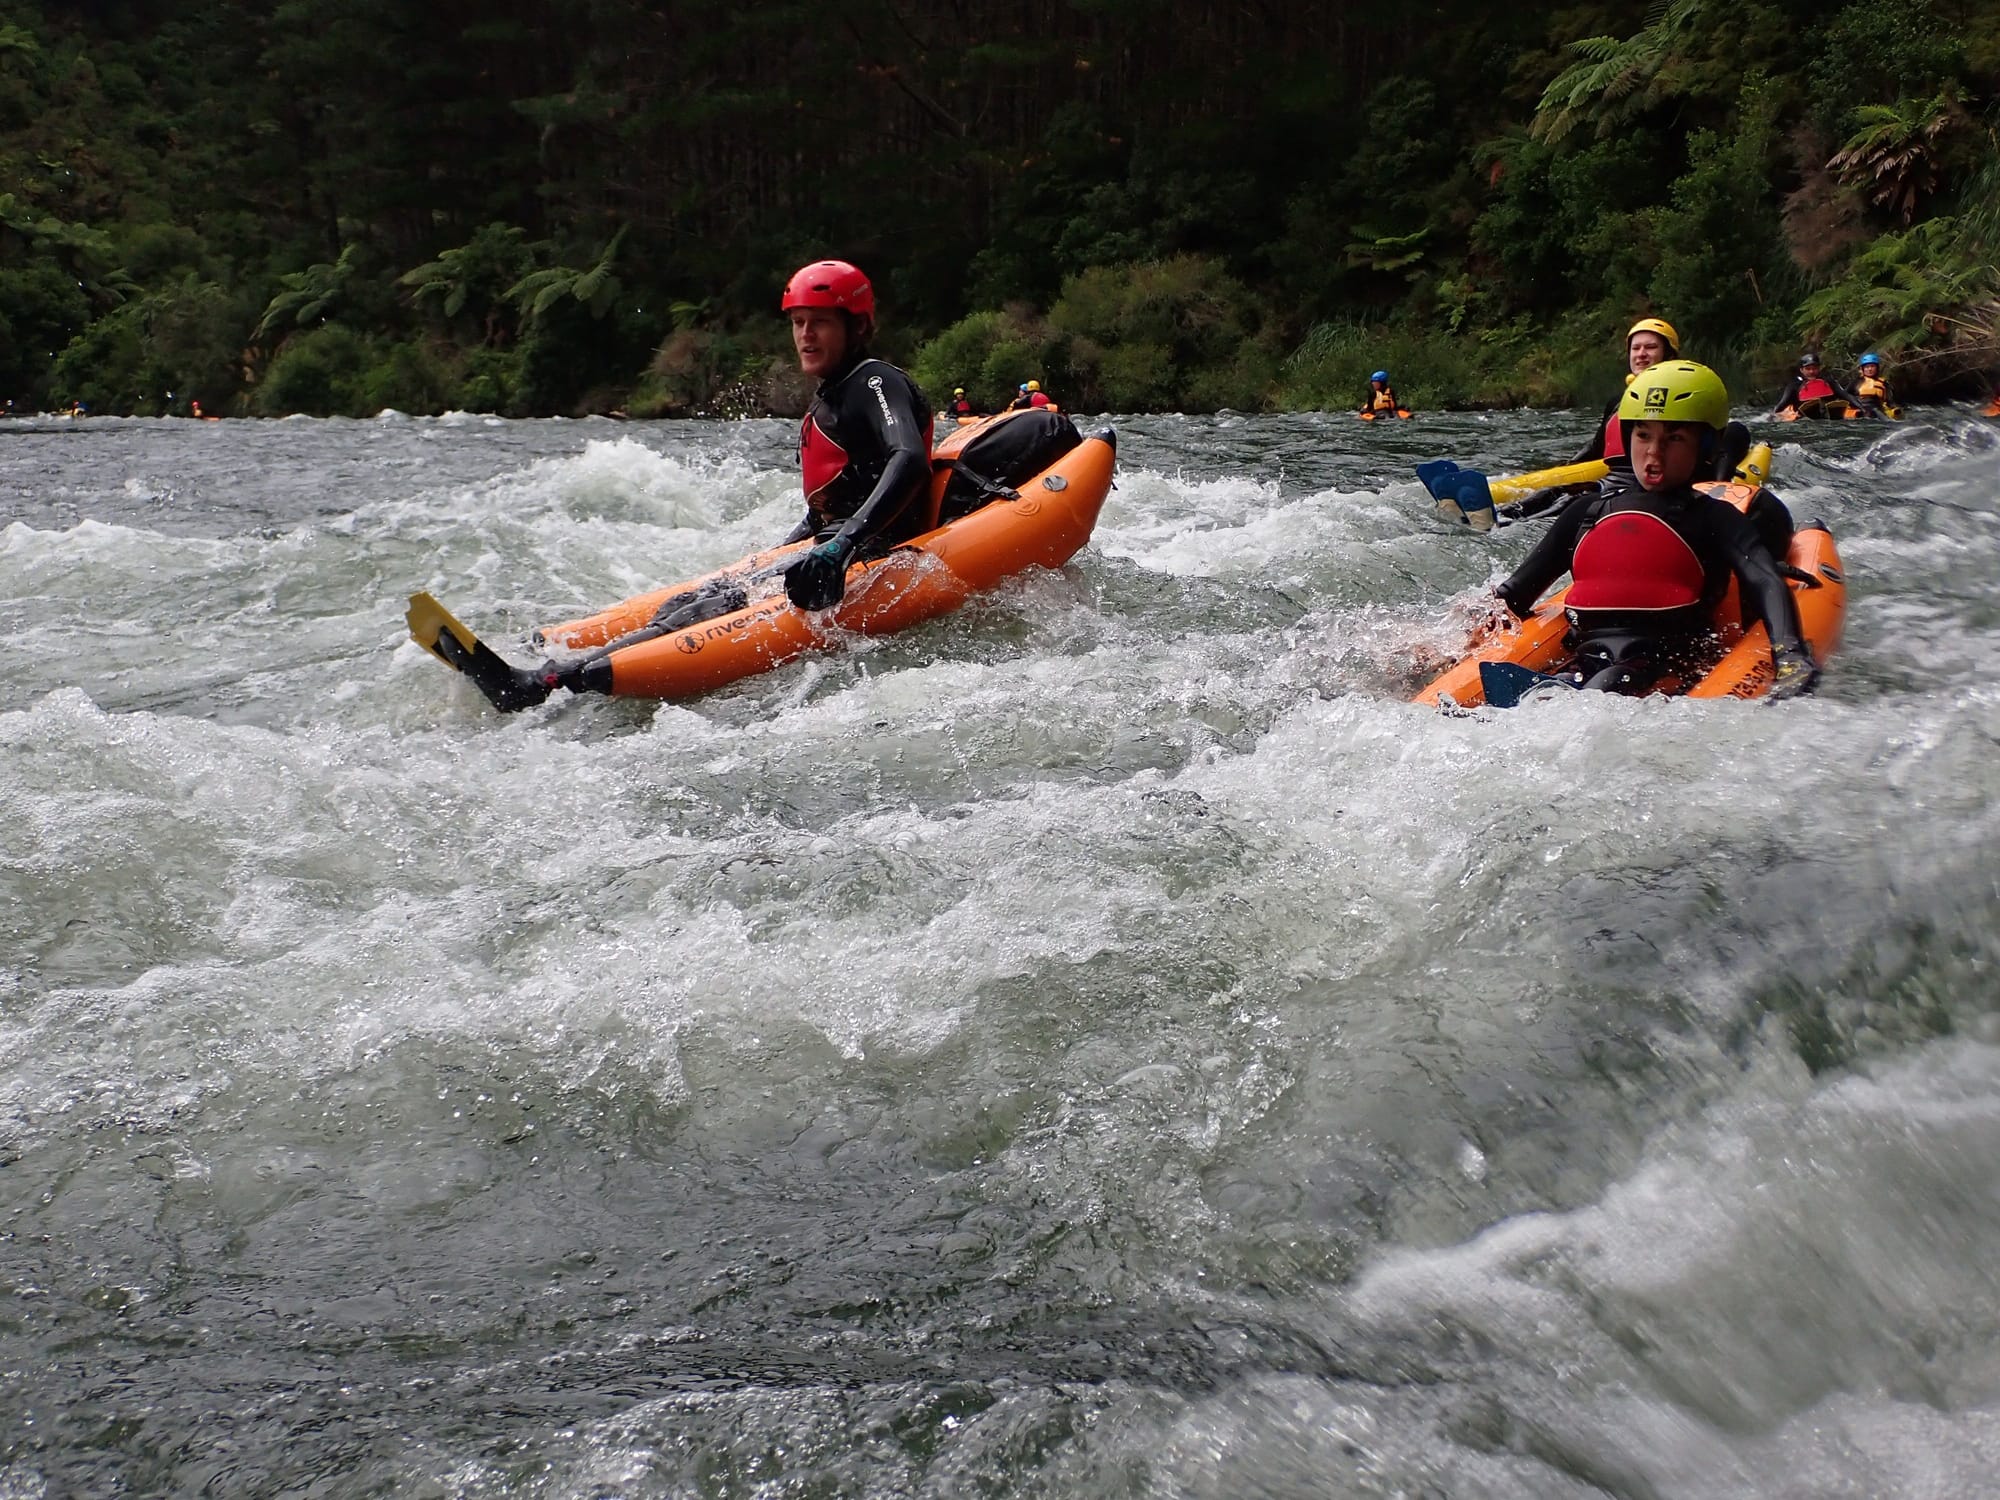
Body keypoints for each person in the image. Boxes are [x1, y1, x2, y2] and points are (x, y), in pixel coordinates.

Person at [1491, 360, 1819, 700]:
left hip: (1662, 666)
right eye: (1643, 435)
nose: (1653, 453)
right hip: (1588, 659)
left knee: (1607, 682)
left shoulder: (1714, 518)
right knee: (1567, 684)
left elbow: (1764, 580)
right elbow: (1514, 594)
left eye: (1674, 438)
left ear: (1706, 446)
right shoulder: (1585, 512)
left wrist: (1791, 656)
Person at [1499, 317, 1680, 521]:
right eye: (1635, 348)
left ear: (1669, 354)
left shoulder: (1677, 398)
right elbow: (1596, 447)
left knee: (1572, 501)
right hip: (1612, 478)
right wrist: (1568, 467)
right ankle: (1497, 518)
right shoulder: (1618, 401)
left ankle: (1511, 525)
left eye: (1651, 347)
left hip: (1639, 484)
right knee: (1553, 492)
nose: (1641, 354)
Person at [1770, 352, 1860, 419]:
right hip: (1803, 416)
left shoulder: (1829, 382)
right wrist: (1774, 416)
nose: (1812, 371)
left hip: (1828, 413)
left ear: (1819, 368)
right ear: (1801, 370)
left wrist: (1861, 408)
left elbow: (1846, 396)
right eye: (1808, 369)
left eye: (1815, 368)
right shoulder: (1794, 386)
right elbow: (1782, 404)